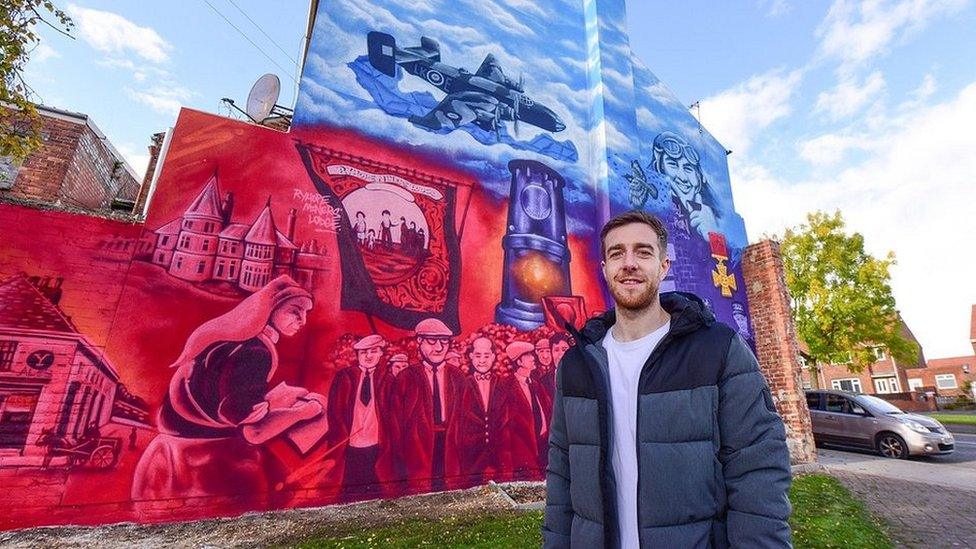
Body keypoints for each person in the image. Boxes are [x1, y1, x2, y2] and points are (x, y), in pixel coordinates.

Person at [542, 210, 791, 548]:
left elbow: (757, 467)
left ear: (663, 266)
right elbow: (561, 475)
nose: (629, 263)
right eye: (617, 253)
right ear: (605, 270)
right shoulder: (577, 364)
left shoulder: (717, 350)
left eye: (643, 252)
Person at [131, 275, 327, 509]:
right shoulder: (255, 353)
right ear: (270, 309)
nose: (302, 321)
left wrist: (271, 403)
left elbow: (220, 403)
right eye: (295, 311)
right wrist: (305, 411)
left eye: (306, 314)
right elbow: (253, 431)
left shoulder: (227, 343)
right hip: (203, 471)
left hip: (163, 463)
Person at [388, 318, 466, 493]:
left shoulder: (458, 377)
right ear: (419, 341)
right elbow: (394, 426)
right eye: (432, 341)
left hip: (450, 448)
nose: (438, 347)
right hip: (417, 451)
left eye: (444, 341)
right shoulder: (405, 378)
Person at [446, 336, 518, 486]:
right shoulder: (463, 385)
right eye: (478, 355)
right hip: (471, 454)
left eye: (486, 355)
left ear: (493, 357)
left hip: (499, 453)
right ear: (471, 356)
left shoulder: (503, 385)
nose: (482, 360)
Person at [327, 334, 389, 498]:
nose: (369, 356)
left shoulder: (387, 380)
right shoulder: (345, 377)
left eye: (373, 351)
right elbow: (334, 412)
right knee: (350, 491)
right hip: (350, 446)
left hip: (377, 446)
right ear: (357, 355)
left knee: (376, 490)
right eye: (364, 352)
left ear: (381, 353)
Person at [651, 131, 720, 241]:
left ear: (700, 177)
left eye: (688, 168)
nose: (682, 177)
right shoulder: (655, 212)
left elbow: (735, 257)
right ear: (660, 168)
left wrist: (713, 234)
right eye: (672, 165)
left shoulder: (714, 218)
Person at [508, 341, 551, 473]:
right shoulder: (508, 388)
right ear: (519, 362)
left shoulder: (537, 386)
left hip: (544, 446)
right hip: (524, 450)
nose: (533, 358)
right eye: (528, 355)